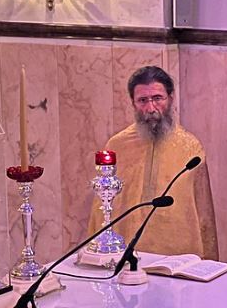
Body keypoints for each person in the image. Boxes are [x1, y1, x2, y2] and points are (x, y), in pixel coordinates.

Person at [88, 66, 218, 258]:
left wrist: (209, 262)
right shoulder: (117, 146)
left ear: (170, 98)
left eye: (158, 98)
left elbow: (204, 213)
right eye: (142, 100)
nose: (150, 109)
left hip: (178, 259)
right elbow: (101, 208)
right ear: (133, 103)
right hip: (126, 256)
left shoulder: (190, 147)